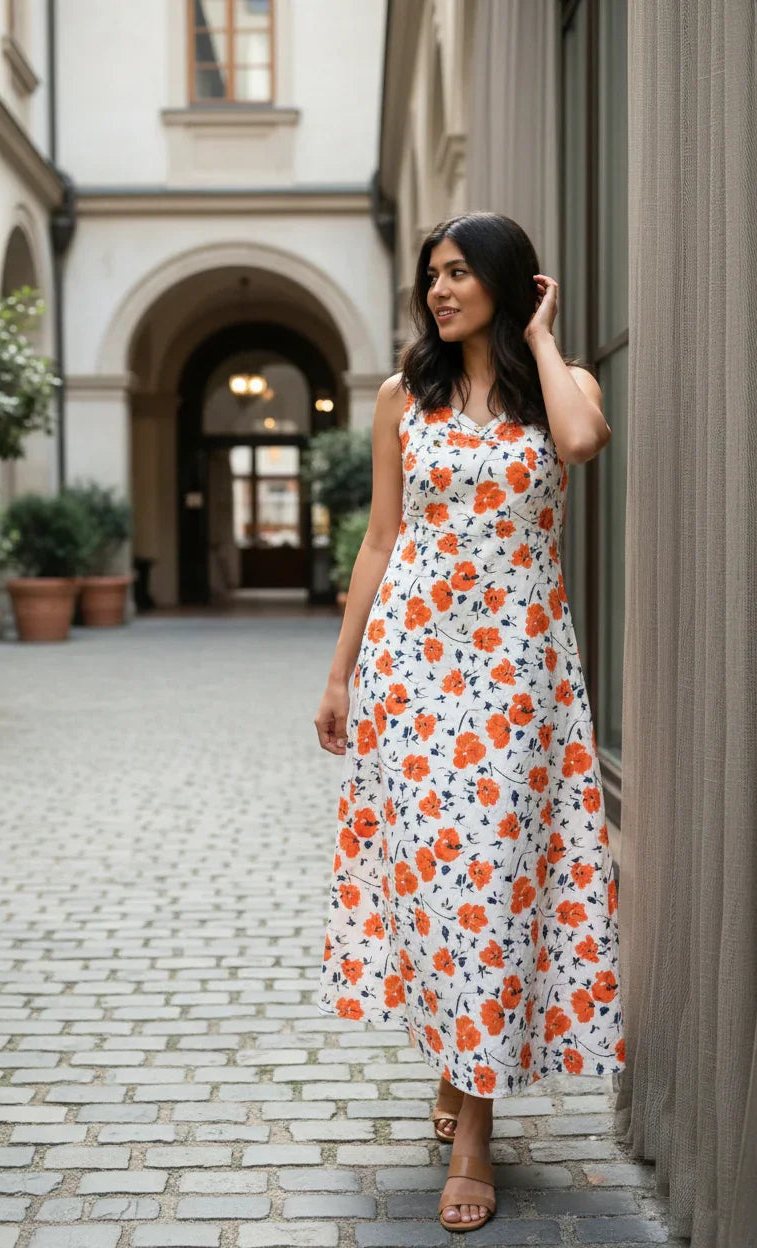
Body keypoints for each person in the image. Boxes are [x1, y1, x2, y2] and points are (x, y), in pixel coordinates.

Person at [314, 211, 625, 1233]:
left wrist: (540, 337)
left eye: (458, 273)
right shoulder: (405, 395)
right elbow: (378, 539)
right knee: (436, 880)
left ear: (505, 281)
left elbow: (584, 442)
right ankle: (460, 1066)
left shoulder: (559, 389)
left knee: (491, 878)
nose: (439, 290)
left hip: (519, 673)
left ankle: (475, 1124)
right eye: (431, 276)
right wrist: (342, 672)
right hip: (415, 666)